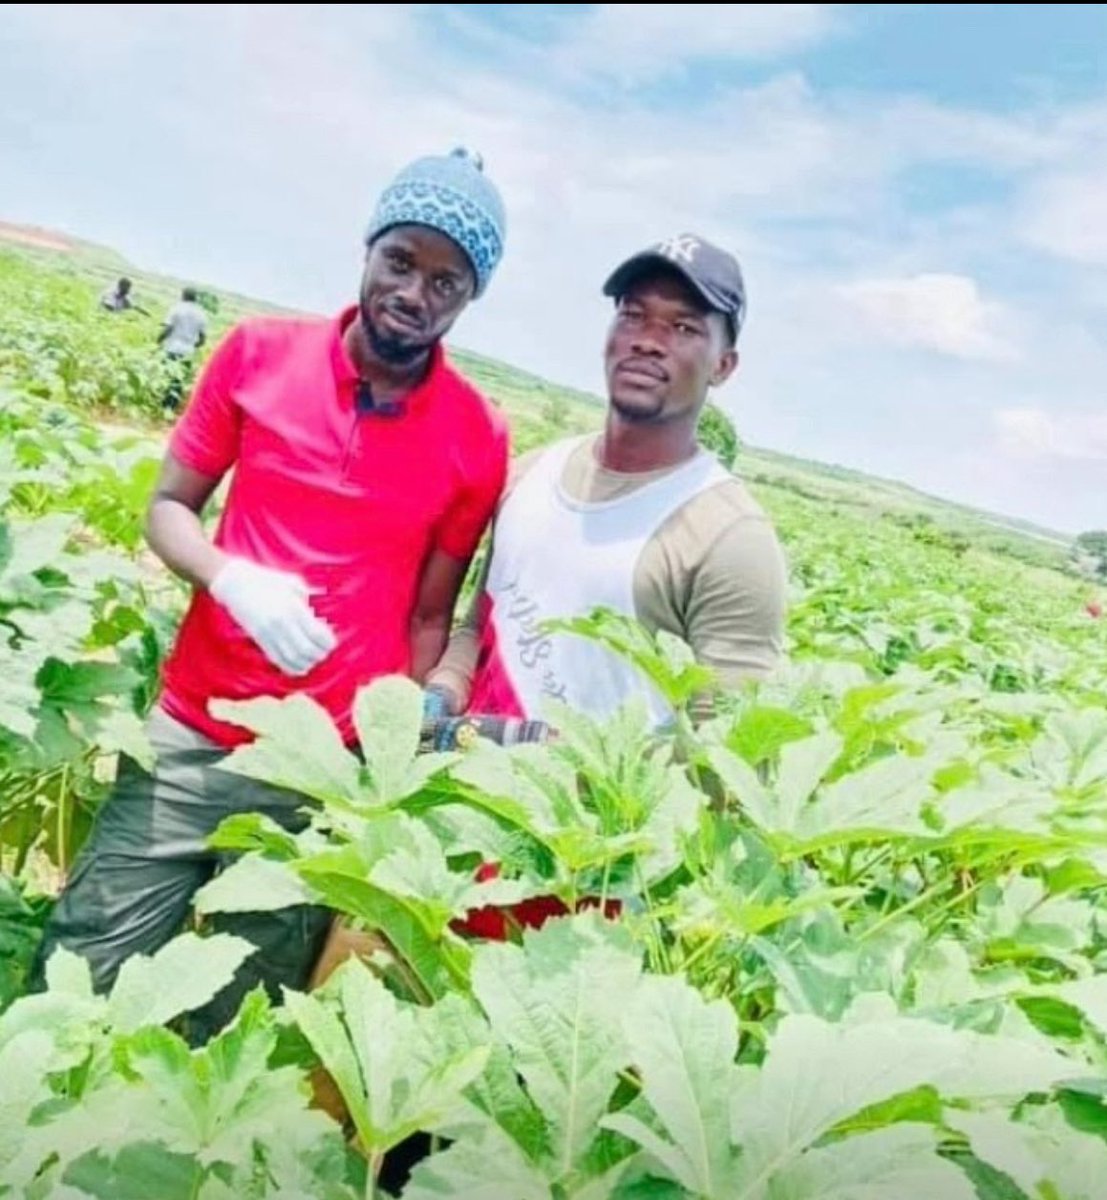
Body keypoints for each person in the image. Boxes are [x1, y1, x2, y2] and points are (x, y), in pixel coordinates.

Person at [30, 147, 510, 1039]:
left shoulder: (476, 436)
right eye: (401, 260)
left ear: (469, 298)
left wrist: (384, 755)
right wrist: (226, 574)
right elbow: (169, 508)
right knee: (82, 969)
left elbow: (429, 614)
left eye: (448, 280)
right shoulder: (258, 355)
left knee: (236, 1017)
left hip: (316, 768)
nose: (415, 292)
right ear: (368, 251)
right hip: (191, 736)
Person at [424, 231, 787, 741]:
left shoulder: (729, 537)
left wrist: (529, 749)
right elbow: (475, 629)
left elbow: (725, 756)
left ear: (723, 366)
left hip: (580, 819)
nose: (647, 340)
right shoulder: (531, 474)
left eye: (683, 326)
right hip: (449, 800)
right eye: (633, 315)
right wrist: (442, 689)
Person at [157, 286, 208, 412]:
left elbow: (168, 329)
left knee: (166, 377)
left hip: (172, 348)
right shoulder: (201, 314)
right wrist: (192, 345)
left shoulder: (176, 309)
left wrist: (158, 340)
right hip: (188, 352)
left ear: (183, 296)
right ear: (195, 298)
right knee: (178, 381)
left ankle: (161, 405)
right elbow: (202, 339)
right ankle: (170, 408)